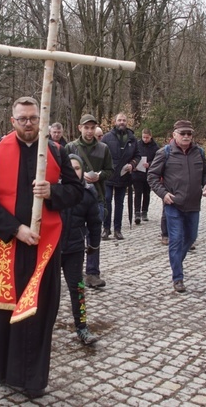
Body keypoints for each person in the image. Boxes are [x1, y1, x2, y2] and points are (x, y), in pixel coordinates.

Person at [0, 96, 83, 398]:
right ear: (13, 121)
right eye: (23, 119)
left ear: (41, 120)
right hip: (8, 244)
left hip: (44, 247)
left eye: (33, 118)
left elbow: (76, 192)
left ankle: (32, 379)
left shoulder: (57, 152)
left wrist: (52, 192)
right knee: (7, 312)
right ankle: (3, 370)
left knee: (38, 312)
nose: (29, 123)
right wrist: (14, 228)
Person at [147, 120, 206, 293]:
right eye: (182, 133)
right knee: (175, 240)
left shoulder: (199, 152)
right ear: (174, 135)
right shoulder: (165, 153)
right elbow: (152, 176)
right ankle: (178, 277)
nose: (186, 137)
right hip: (173, 204)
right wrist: (164, 194)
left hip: (193, 204)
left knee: (191, 237)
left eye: (189, 134)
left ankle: (177, 262)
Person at [65, 114, 114, 289]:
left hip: (97, 198)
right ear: (80, 128)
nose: (89, 131)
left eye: (92, 128)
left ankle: (93, 273)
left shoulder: (103, 148)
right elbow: (62, 171)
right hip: (75, 199)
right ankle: (75, 271)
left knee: (94, 237)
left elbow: (110, 171)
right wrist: (78, 176)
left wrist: (99, 176)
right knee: (76, 237)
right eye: (86, 127)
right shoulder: (70, 147)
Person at [60, 154, 101, 345]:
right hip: (50, 250)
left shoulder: (87, 194)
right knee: (46, 292)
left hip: (74, 249)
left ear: (82, 171)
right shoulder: (53, 190)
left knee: (78, 289)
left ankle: (82, 327)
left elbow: (94, 223)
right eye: (69, 167)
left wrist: (93, 245)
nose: (73, 171)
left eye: (77, 168)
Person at [100, 112, 140, 240]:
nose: (121, 122)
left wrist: (132, 164)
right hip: (109, 175)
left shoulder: (132, 138)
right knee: (106, 200)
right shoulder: (106, 138)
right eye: (119, 120)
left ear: (126, 122)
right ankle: (106, 229)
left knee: (120, 203)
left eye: (124, 120)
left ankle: (118, 229)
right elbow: (101, 154)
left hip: (124, 176)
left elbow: (138, 155)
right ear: (115, 122)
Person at [133, 128, 159, 225]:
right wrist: (134, 165)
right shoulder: (137, 145)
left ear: (150, 137)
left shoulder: (155, 147)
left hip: (149, 173)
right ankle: (137, 213)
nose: (145, 139)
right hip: (138, 173)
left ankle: (144, 211)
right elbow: (133, 156)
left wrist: (150, 164)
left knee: (146, 193)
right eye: (144, 137)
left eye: (147, 138)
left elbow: (158, 160)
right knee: (137, 193)